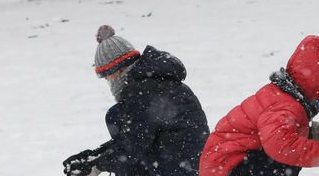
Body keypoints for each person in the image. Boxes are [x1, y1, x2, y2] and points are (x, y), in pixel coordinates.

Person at [199, 35, 319, 176]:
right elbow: (281, 146)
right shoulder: (286, 106)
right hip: (228, 168)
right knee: (287, 159)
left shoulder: (283, 96)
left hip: (228, 164)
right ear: (315, 89)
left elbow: (275, 133)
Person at [62, 25, 209, 176]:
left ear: (117, 70)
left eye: (106, 76)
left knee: (115, 115)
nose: (108, 81)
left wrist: (97, 164)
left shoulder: (143, 92)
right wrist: (94, 156)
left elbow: (132, 147)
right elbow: (134, 138)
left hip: (180, 169)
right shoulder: (152, 83)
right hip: (185, 164)